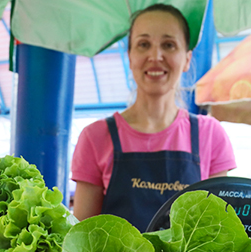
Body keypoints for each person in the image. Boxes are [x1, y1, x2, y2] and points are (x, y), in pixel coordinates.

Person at [70, 3, 236, 231]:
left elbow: (217, 232)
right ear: (129, 57)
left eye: (168, 45)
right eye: (143, 44)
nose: (155, 56)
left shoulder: (210, 134)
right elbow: (81, 237)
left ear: (187, 58)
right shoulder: (95, 137)